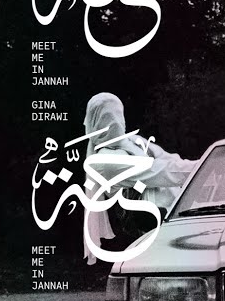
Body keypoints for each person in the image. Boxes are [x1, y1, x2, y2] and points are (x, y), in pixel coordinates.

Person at [81, 92, 198, 264]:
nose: (115, 121)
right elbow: (160, 171)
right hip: (152, 228)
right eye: (108, 116)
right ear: (95, 122)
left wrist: (203, 166)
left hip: (178, 214)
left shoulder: (132, 141)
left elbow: (170, 160)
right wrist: (205, 167)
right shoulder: (104, 161)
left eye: (117, 114)